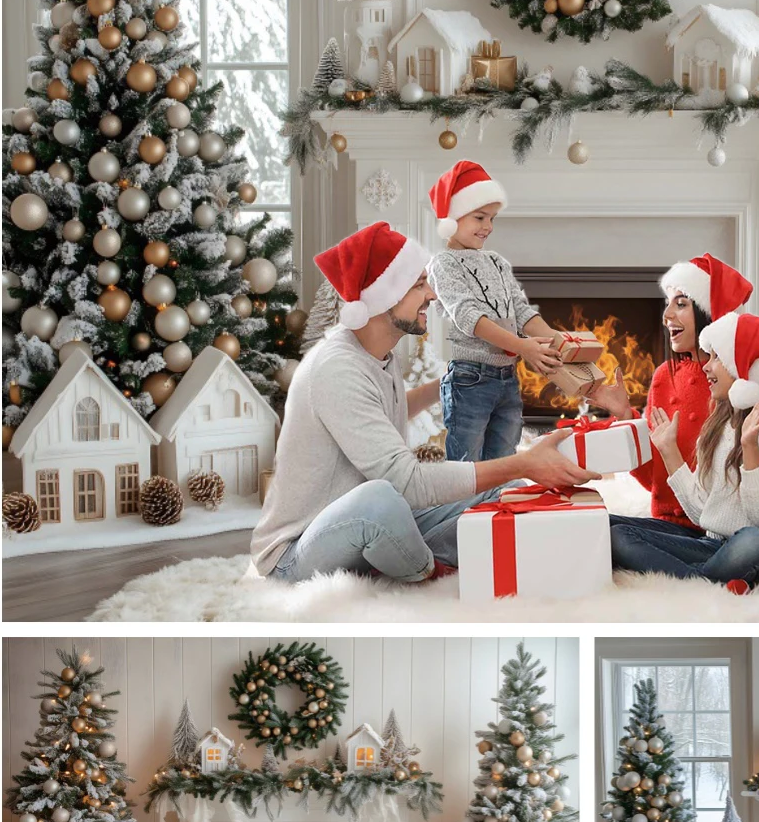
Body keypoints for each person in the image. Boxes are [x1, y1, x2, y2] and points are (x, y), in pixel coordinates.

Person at [250, 221, 596, 583]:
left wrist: (453, 377)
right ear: (382, 297)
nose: (432, 295)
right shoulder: (337, 369)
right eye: (418, 285)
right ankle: (427, 572)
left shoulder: (377, 354)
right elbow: (407, 484)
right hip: (297, 551)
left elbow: (386, 410)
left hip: (362, 526)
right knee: (381, 500)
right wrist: (524, 462)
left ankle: (493, 549)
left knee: (504, 492)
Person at [591, 254, 759, 587]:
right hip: (696, 523)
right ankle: (712, 579)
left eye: (680, 304)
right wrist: (626, 417)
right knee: (602, 528)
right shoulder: (667, 378)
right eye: (668, 304)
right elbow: (657, 479)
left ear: (708, 312)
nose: (666, 315)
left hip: (758, 529)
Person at [608, 313, 759, 592]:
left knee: (753, 541)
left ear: (745, 367)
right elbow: (703, 512)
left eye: (717, 358)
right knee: (613, 531)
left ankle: (696, 581)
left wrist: (750, 448)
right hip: (711, 545)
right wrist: (669, 451)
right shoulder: (719, 425)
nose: (706, 367)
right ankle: (708, 580)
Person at [426, 161, 564, 461]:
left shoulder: (497, 262)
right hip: (470, 380)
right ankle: (464, 509)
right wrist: (522, 347)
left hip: (507, 379)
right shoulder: (444, 264)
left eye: (492, 218)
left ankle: (496, 506)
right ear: (452, 218)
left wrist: (560, 341)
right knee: (467, 467)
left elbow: (522, 311)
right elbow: (469, 318)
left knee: (504, 461)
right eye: (479, 217)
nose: (488, 226)